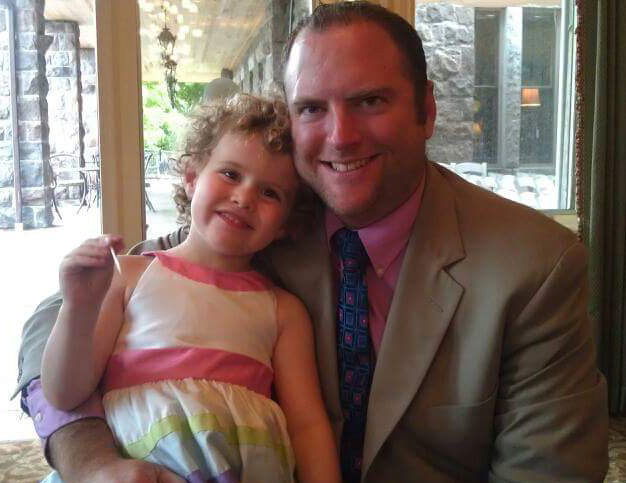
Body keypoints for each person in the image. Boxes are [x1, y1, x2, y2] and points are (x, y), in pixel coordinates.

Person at [14, 2, 608, 482]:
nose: (340, 136)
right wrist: (91, 461)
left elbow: (549, 471)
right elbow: (58, 314)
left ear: (426, 110)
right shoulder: (267, 219)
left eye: (370, 101)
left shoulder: (535, 266)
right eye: (311, 108)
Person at [37, 94, 340, 483]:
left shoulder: (283, 311)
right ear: (192, 176)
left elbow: (307, 426)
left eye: (270, 193)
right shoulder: (130, 275)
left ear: (286, 223)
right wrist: (77, 307)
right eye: (230, 174)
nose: (244, 197)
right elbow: (65, 393)